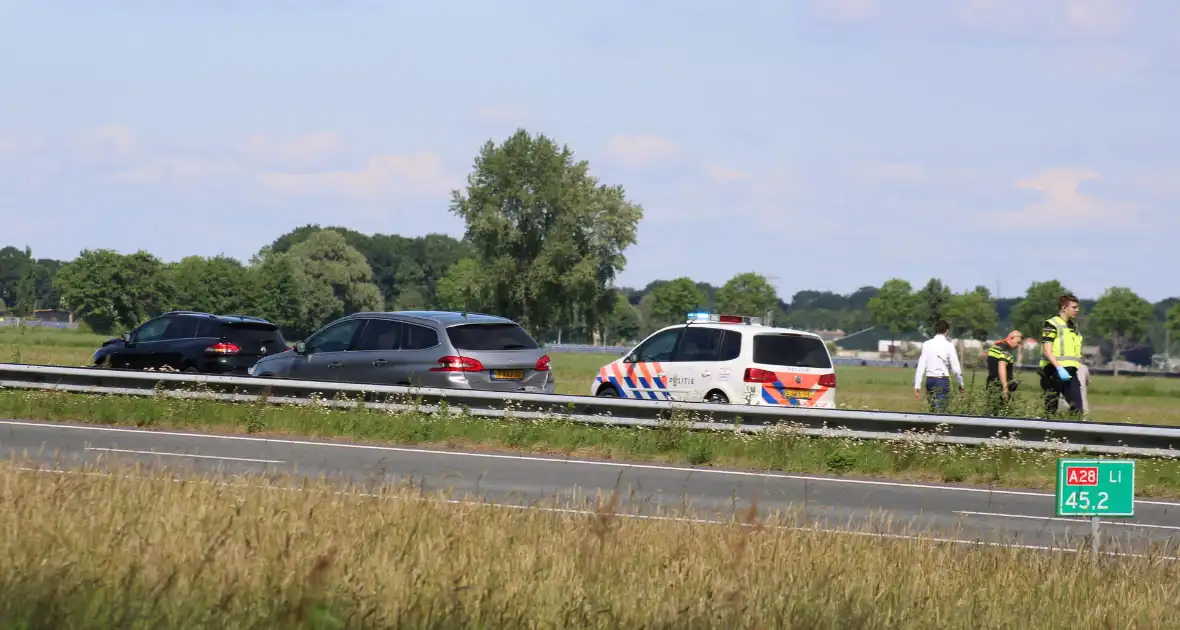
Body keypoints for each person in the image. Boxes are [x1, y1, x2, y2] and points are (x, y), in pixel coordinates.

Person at [1039, 293, 1085, 418]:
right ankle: (1048, 434)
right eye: (1074, 307)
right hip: (1053, 370)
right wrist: (1059, 368)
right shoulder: (1052, 324)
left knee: (1077, 407)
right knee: (1051, 407)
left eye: (1077, 307)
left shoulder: (1073, 326)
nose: (1077, 310)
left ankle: (1070, 434)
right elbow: (1047, 350)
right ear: (1064, 308)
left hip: (1070, 371)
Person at [913, 319, 964, 412]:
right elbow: (955, 367)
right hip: (942, 380)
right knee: (942, 411)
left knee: (932, 410)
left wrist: (917, 384)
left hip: (930, 380)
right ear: (947, 331)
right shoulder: (949, 345)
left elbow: (921, 365)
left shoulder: (926, 344)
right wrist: (961, 383)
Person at [984, 330, 1022, 416]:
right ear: (1011, 338)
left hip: (991, 382)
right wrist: (1005, 388)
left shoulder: (996, 346)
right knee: (1003, 412)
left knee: (990, 410)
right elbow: (1002, 367)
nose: (1018, 345)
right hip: (1000, 385)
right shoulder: (1006, 350)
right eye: (1018, 342)